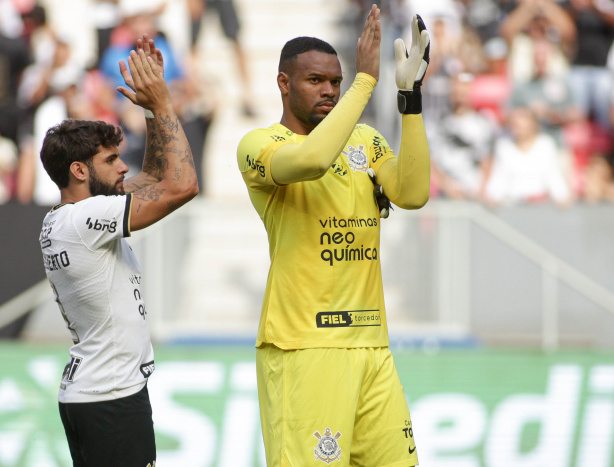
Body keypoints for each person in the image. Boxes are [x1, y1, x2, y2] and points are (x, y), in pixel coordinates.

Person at [237, 5, 430, 466]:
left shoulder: (364, 140)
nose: (329, 90)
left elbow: (414, 193)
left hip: (371, 344)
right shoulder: (259, 145)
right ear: (284, 83)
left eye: (336, 81)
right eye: (315, 81)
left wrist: (410, 99)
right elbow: (310, 163)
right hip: (304, 346)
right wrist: (365, 82)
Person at [38, 35, 198, 466]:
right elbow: (181, 185)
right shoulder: (85, 220)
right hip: (109, 399)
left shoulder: (70, 217)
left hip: (94, 393)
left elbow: (152, 175)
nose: (123, 166)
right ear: (78, 169)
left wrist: (148, 108)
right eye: (111, 160)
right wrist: (164, 103)